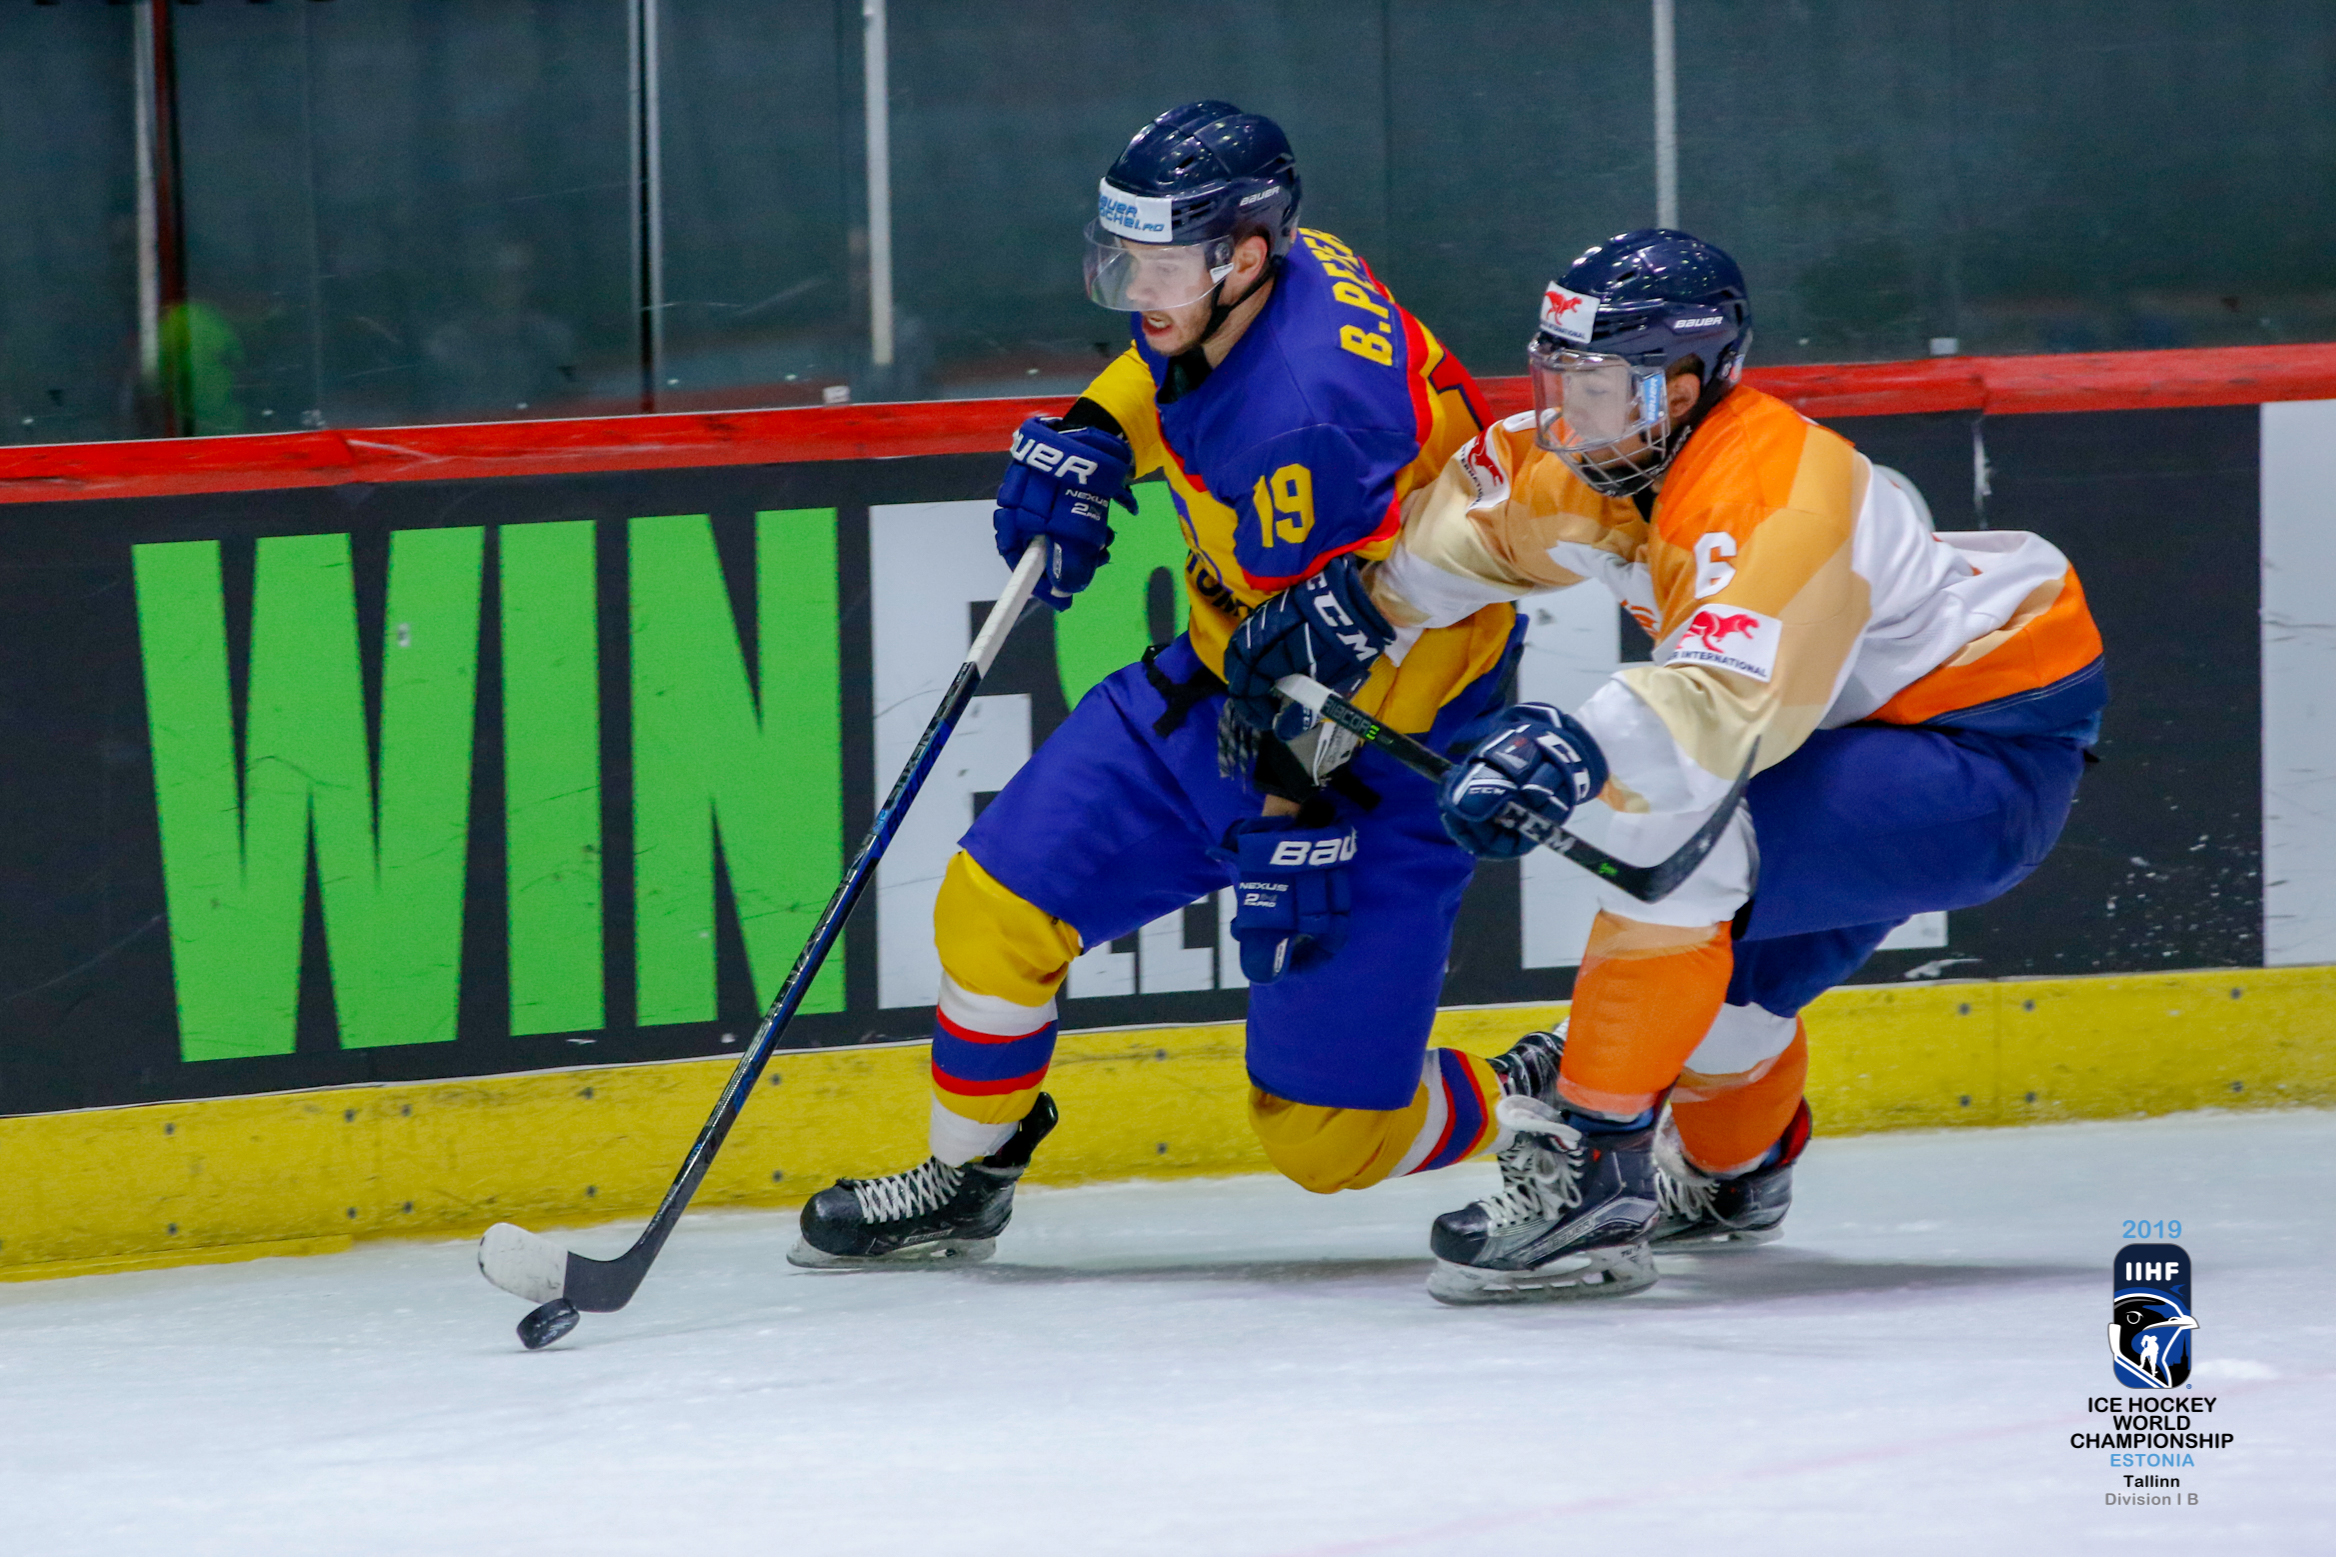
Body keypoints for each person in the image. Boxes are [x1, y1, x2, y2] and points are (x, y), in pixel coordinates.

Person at [792, 100, 1543, 1268]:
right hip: (1222, 688)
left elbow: (1340, 652)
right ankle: (965, 1176)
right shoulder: (1254, 276)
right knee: (993, 910)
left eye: (1158, 265)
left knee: (1328, 1142)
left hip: (1378, 752)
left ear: (1242, 256)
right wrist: (1093, 433)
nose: (1138, 290)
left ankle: (1555, 1093)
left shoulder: (1310, 419)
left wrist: (1290, 821)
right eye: (1123, 259)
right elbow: (1162, 368)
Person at [1363, 229, 2105, 1302]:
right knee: (1719, 1001)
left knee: (1667, 837)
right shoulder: (1603, 458)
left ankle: (1591, 1173)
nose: (1571, 411)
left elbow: (1726, 702)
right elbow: (1467, 535)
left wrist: (1567, 744)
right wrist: (1351, 611)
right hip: (1862, 734)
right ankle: (1729, 1178)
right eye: (1558, 377)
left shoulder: (1772, 491)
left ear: (1682, 382)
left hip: (1978, 753)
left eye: (1602, 385)